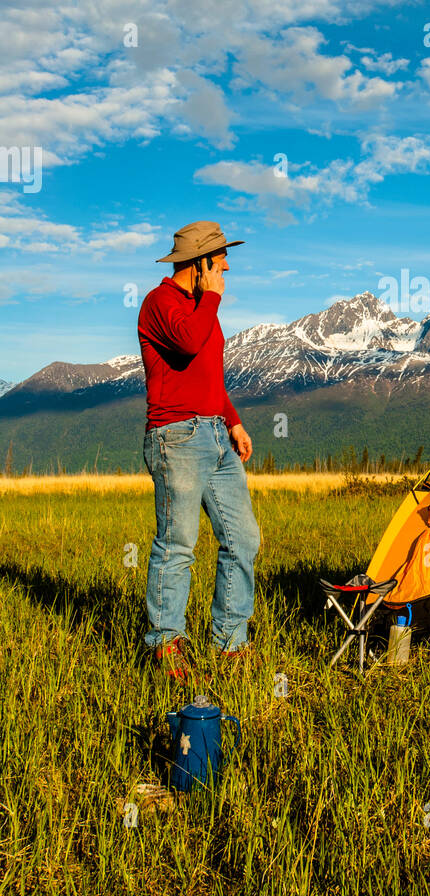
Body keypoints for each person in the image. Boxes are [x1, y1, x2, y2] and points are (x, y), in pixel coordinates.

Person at [137, 220, 260, 682]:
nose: (227, 265)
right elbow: (187, 342)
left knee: (244, 538)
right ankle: (165, 646)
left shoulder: (201, 306)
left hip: (215, 433)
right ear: (202, 262)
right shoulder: (160, 302)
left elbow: (209, 372)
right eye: (222, 257)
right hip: (177, 437)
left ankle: (229, 642)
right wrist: (211, 295)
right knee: (177, 546)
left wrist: (233, 420)